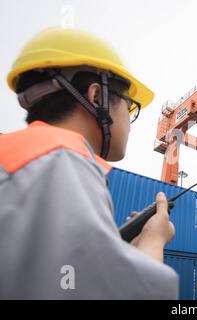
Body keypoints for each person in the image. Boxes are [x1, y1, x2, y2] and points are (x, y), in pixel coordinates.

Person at [0, 27, 178, 299]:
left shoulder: (21, 156)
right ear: (97, 97)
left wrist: (116, 254)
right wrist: (154, 241)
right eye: (130, 107)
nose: (130, 122)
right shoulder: (60, 162)